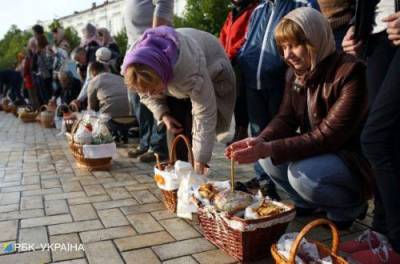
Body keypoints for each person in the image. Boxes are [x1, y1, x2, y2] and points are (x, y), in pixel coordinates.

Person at [226, 7, 372, 229]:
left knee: (301, 175)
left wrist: (269, 147)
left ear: (314, 39)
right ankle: (307, 202)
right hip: (323, 153)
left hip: (350, 159)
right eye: (283, 47)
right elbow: (285, 118)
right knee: (266, 157)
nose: (287, 55)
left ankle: (349, 207)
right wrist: (260, 140)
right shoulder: (296, 74)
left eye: (294, 45)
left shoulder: (350, 72)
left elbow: (328, 137)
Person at [122, 26, 236, 174]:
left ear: (162, 75)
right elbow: (143, 93)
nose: (149, 94)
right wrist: (163, 114)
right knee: (176, 131)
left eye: (153, 89)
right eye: (146, 90)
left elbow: (204, 116)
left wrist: (200, 160)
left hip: (210, 68)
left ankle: (193, 174)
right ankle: (180, 175)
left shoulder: (190, 68)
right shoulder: (134, 64)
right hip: (171, 77)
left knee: (195, 130)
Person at [235, 0, 319, 199]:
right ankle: (264, 180)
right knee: (258, 133)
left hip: (281, 82)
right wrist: (243, 58)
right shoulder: (257, 9)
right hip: (253, 81)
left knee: (279, 131)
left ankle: (291, 183)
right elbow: (248, 40)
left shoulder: (301, 3)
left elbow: (313, 40)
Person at [339, 1, 400, 263]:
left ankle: (398, 244)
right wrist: (357, 24)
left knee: (376, 139)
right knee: (391, 141)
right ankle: (381, 230)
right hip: (377, 37)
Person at [123, 0, 173, 162]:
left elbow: (164, 3)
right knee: (139, 100)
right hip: (136, 49)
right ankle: (145, 142)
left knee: (157, 98)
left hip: (151, 48)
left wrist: (153, 39)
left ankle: (158, 147)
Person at [219, 0, 259, 145]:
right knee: (235, 98)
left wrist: (231, 53)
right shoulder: (232, 13)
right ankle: (237, 131)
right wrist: (221, 53)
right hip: (229, 61)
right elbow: (223, 35)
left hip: (242, 61)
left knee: (242, 98)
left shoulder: (254, 10)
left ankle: (242, 132)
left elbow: (247, 37)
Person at [87, 61, 131, 143]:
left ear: (93, 72)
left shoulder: (94, 81)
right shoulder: (119, 77)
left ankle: (110, 135)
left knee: (101, 111)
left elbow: (91, 107)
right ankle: (123, 135)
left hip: (110, 117)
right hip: (130, 115)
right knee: (118, 104)